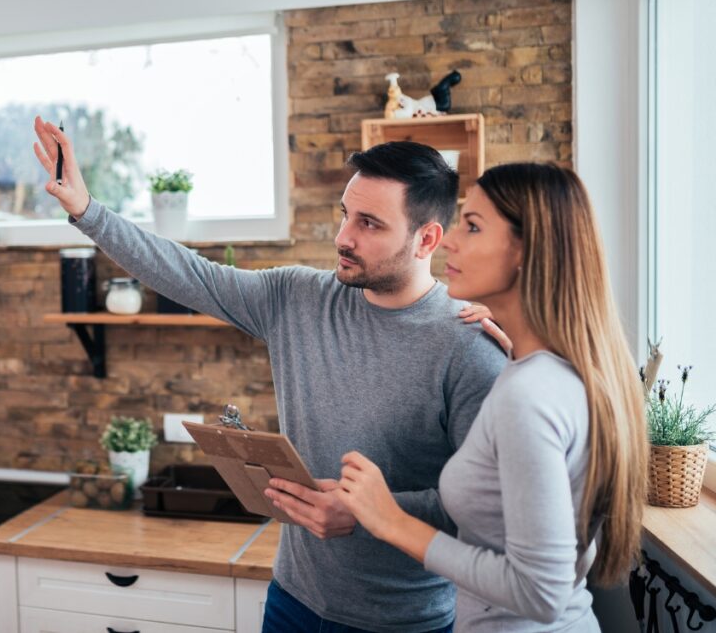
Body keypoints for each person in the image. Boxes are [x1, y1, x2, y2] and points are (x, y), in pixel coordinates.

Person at [33, 116, 507, 633]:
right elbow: (189, 274)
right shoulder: (296, 297)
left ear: (427, 239)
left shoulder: (469, 347)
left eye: (369, 224)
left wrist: (371, 511)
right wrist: (86, 209)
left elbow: (489, 505)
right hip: (292, 602)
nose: (342, 237)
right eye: (345, 215)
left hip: (403, 622)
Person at [336, 163, 648, 632]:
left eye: (473, 226)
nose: (449, 241)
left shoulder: (530, 395)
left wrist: (390, 521)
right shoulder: (553, 371)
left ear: (528, 250)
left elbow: (540, 592)